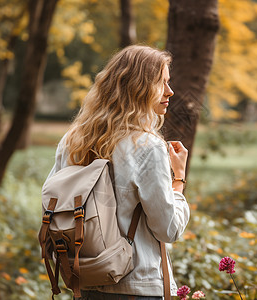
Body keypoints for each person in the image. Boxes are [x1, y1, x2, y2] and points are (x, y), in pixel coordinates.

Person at [47, 45, 190, 299]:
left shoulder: (72, 140)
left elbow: (53, 203)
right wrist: (178, 178)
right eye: (162, 83)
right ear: (138, 88)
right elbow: (168, 229)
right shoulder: (147, 146)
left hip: (85, 279)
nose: (170, 91)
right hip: (137, 285)